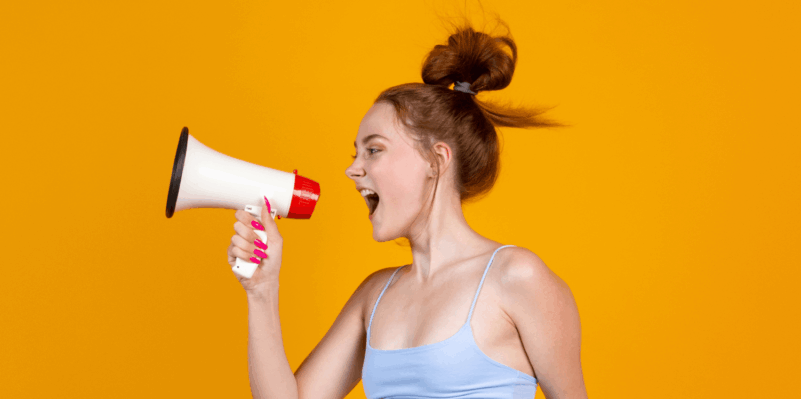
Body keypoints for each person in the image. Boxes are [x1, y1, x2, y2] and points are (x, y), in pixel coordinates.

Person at [226, 23, 587, 399]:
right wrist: (261, 290)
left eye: (374, 149)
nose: (353, 169)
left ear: (436, 160)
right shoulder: (375, 295)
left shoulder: (517, 276)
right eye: (356, 152)